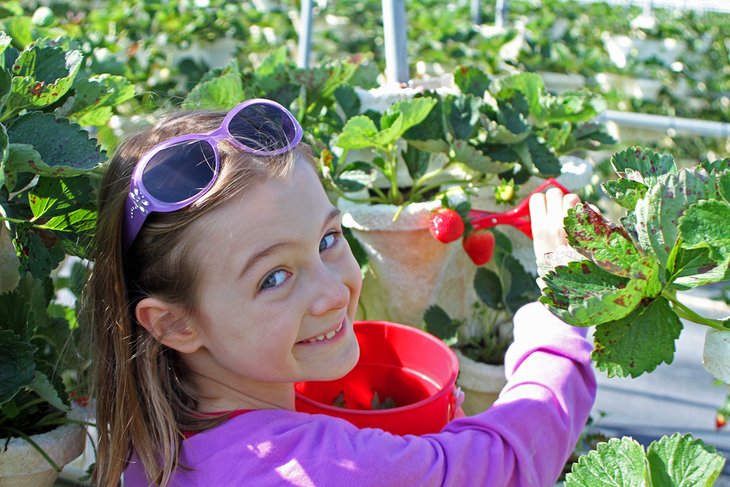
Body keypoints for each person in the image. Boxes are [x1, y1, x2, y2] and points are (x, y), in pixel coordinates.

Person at [87, 98, 596, 487]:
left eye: (329, 240)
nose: (334, 292)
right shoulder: (324, 468)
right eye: (274, 277)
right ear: (175, 323)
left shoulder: (147, 442)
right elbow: (504, 466)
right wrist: (563, 308)